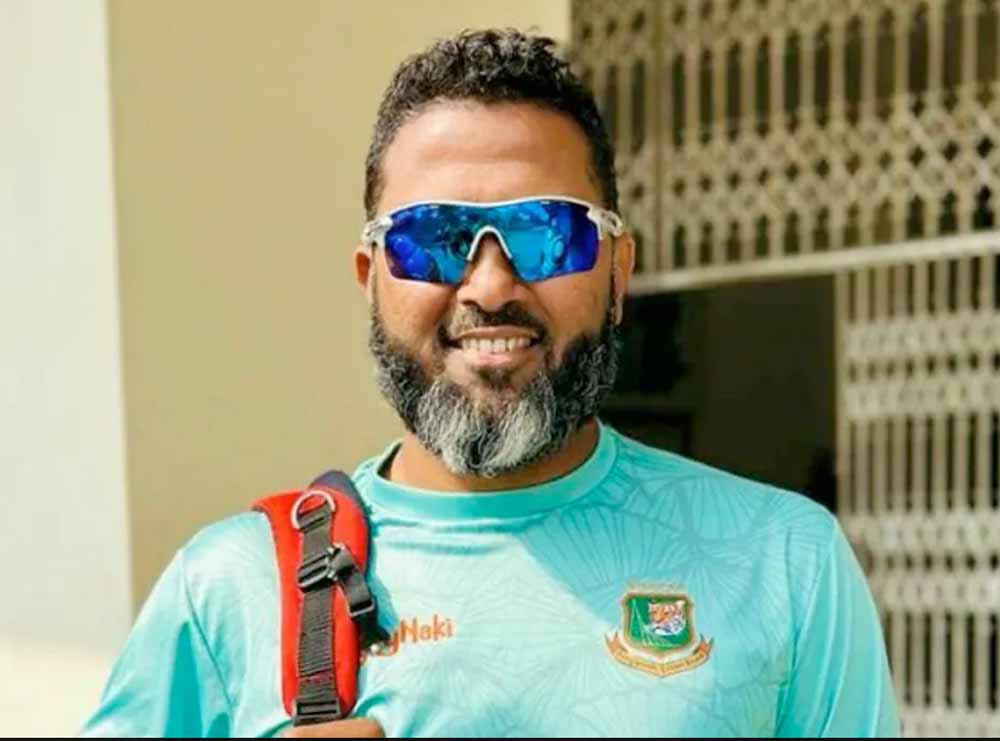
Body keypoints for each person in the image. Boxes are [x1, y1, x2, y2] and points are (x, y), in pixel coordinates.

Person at [83, 28, 900, 738]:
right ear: (372, 277)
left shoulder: (784, 564)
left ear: (618, 272)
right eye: (434, 238)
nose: (490, 284)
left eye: (545, 233)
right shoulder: (230, 588)